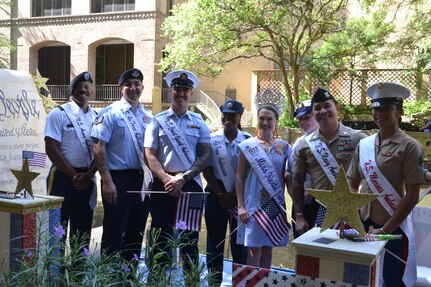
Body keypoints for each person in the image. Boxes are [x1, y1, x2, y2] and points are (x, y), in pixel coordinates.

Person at [347, 82, 424, 287]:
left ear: (399, 111)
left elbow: (412, 195)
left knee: (391, 280)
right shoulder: (364, 145)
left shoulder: (410, 147)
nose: (379, 114)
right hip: (364, 226)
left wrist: (385, 230)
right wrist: (355, 219)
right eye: (376, 109)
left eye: (385, 108)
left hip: (393, 229)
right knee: (361, 278)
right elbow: (352, 183)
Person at [144, 69, 211, 284]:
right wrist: (166, 179)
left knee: (190, 240)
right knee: (160, 237)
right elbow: (150, 155)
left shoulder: (199, 122)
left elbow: (205, 155)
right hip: (162, 186)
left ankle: (191, 281)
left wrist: (183, 177)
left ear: (191, 93)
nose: (181, 93)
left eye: (186, 90)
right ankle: (157, 281)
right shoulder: (157, 121)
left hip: (190, 185)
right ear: (171, 91)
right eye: (178, 89)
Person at [91, 68, 153, 261]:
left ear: (142, 87)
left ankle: (129, 276)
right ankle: (109, 278)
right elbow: (98, 147)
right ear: (121, 88)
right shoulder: (110, 113)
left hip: (142, 180)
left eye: (137, 84)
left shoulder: (149, 117)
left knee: (136, 233)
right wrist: (107, 182)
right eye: (129, 84)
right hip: (118, 180)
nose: (133, 88)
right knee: (114, 232)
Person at [292, 88, 367, 236]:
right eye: (317, 108)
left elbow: (375, 170)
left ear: (337, 109)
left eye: (327, 106)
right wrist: (299, 215)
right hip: (318, 209)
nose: (323, 111)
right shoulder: (304, 145)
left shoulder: (357, 139)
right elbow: (297, 181)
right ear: (313, 114)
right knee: (317, 256)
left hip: (350, 209)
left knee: (346, 255)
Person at [45, 71, 97, 251]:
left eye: (88, 87)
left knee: (82, 231)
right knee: (57, 229)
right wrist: (75, 176)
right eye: (81, 86)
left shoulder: (97, 117)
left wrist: (88, 175)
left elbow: (101, 150)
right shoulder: (58, 113)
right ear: (72, 90)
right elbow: (51, 148)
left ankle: (78, 273)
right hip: (62, 177)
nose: (85, 89)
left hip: (87, 178)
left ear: (92, 92)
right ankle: (55, 275)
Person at [236, 103, 291, 269]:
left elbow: (287, 176)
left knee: (268, 249)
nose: (265, 122)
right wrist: (240, 206)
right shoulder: (247, 145)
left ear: (276, 121)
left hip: (274, 205)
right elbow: (239, 177)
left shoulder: (284, 147)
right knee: (254, 251)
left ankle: (265, 281)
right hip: (253, 206)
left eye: (269, 119)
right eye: (261, 118)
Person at [203, 100, 249, 286]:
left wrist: (235, 197)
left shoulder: (247, 141)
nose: (228, 118)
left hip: (240, 197)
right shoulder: (211, 139)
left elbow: (249, 173)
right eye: (225, 114)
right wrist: (221, 194)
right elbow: (206, 168)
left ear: (240, 117)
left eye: (233, 115)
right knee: (215, 242)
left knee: (239, 244)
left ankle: (240, 282)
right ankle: (214, 282)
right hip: (216, 195)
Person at [285, 100, 319, 238]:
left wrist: (307, 195)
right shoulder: (298, 143)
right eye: (300, 119)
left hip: (321, 204)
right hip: (299, 205)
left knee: (321, 252)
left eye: (307, 117)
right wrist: (297, 198)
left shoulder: (328, 141)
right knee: (301, 251)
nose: (303, 122)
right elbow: (289, 174)